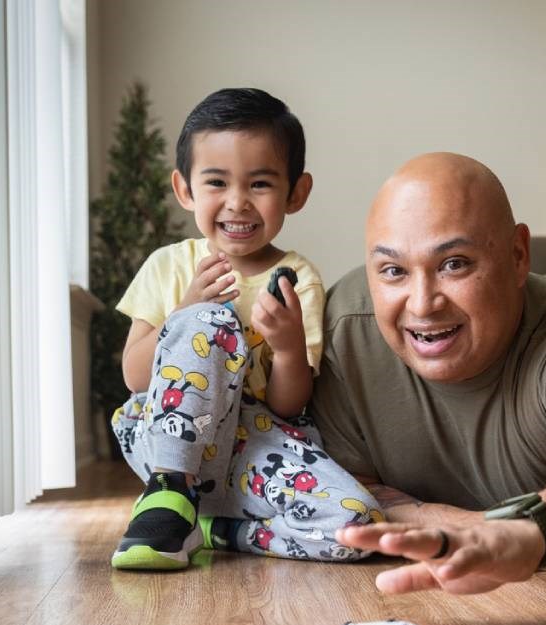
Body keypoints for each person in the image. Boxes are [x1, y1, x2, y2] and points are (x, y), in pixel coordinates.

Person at [310, 152, 546, 594]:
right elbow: (348, 488)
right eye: (394, 271)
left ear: (518, 255)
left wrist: (524, 534)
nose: (422, 304)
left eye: (454, 264)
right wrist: (471, 527)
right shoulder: (341, 330)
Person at [109, 88, 381, 570]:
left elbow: (288, 405)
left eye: (259, 184)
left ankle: (217, 529)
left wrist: (288, 347)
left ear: (295, 193)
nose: (237, 203)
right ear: (185, 189)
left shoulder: (298, 278)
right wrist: (184, 310)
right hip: (165, 437)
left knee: (358, 528)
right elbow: (134, 377)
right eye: (216, 182)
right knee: (209, 320)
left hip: (252, 447)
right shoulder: (169, 265)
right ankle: (169, 492)